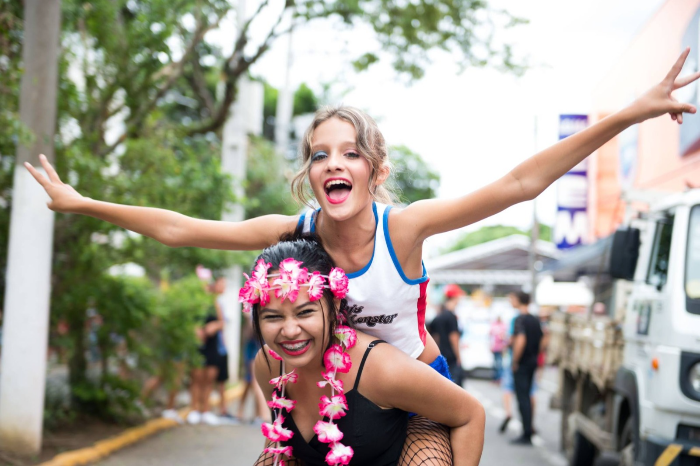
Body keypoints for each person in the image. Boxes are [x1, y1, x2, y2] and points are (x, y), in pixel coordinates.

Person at [25, 49, 699, 443]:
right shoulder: (296, 233)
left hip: (417, 397)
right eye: (320, 154)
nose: (333, 163)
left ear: (373, 169)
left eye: (350, 152)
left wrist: (631, 112)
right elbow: (183, 226)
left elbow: (521, 183)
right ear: (311, 174)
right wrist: (83, 203)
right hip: (342, 401)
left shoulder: (402, 228)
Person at [249, 237, 484, 466]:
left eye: (305, 312)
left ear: (335, 305)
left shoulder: (381, 367)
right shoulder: (268, 364)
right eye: (272, 317)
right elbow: (280, 436)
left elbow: (470, 414)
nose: (289, 331)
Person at [187, 283, 225, 425]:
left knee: (209, 378)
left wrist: (214, 326)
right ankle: (194, 409)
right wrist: (195, 330)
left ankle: (206, 410)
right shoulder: (194, 304)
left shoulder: (215, 304)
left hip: (212, 345)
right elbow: (188, 322)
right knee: (196, 377)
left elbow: (222, 322)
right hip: (198, 345)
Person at [510, 291, 543, 445]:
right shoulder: (535, 320)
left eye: (512, 298)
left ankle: (526, 433)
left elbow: (520, 340)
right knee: (528, 396)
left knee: (522, 397)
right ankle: (529, 429)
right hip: (533, 361)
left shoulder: (520, 319)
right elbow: (544, 338)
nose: (511, 301)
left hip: (522, 363)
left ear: (518, 300)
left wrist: (515, 361)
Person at [428, 284, 464, 386]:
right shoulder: (452, 316)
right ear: (455, 297)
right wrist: (458, 357)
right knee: (455, 387)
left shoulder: (438, 316)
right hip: (451, 358)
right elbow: (454, 337)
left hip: (441, 356)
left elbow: (434, 336)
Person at [489, 315, 507, 382]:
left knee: (499, 363)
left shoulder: (503, 326)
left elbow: (505, 338)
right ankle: (496, 378)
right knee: (495, 364)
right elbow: (491, 336)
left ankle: (499, 378)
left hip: (500, 348)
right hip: (495, 347)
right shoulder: (494, 325)